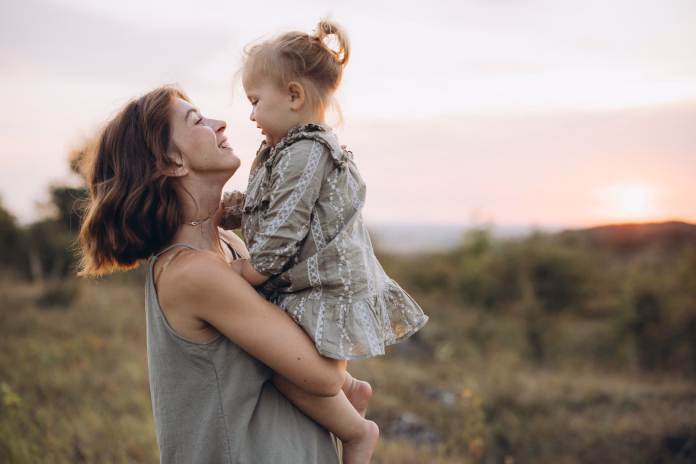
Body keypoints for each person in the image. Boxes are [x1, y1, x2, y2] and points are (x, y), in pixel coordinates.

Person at [77, 85, 344, 464]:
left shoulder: (228, 245)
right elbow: (326, 377)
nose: (220, 124)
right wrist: (342, 263)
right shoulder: (193, 273)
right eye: (197, 121)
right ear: (171, 162)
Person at [221, 20, 429, 463]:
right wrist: (225, 211)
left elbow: (285, 225)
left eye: (256, 102)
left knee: (280, 368)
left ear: (294, 96)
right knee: (286, 361)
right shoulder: (286, 150)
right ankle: (352, 390)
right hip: (303, 283)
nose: (251, 115)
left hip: (321, 286)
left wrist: (249, 270)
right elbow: (269, 205)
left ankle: (356, 433)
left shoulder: (306, 152)